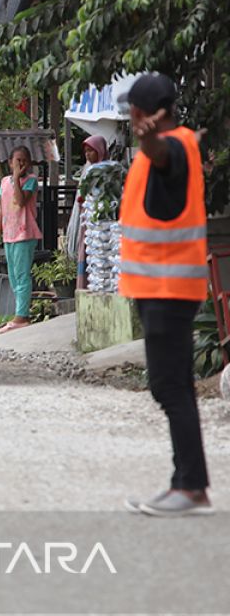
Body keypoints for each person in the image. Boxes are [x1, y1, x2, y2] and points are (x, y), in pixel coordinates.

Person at [119, 74, 212, 517]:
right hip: (162, 288)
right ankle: (186, 482)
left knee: (171, 385)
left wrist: (150, 142)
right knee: (171, 385)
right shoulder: (177, 145)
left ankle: (191, 485)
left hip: (168, 289)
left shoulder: (172, 147)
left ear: (140, 113)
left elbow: (162, 156)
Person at [0, 145, 42, 333]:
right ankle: (19, 314)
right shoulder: (4, 182)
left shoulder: (31, 181)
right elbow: (2, 209)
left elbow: (20, 201)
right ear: (10, 163)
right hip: (9, 234)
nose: (21, 164)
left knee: (21, 275)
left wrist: (18, 179)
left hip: (24, 233)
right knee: (13, 277)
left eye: (24, 160)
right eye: (17, 160)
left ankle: (22, 316)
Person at [68, 135, 109, 290]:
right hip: (87, 221)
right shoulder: (87, 170)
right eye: (86, 151)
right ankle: (84, 286)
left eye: (91, 151)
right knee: (87, 253)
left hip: (101, 224)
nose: (88, 155)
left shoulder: (107, 171)